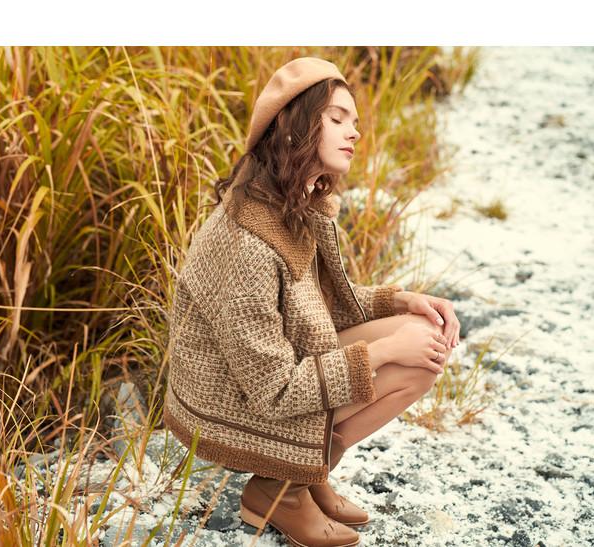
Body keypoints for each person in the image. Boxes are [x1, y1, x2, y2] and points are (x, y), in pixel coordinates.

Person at [164, 57, 460, 547]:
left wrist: (403, 301)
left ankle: (307, 468)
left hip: (273, 376)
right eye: (337, 118)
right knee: (413, 361)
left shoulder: (287, 203)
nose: (354, 132)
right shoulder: (246, 240)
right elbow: (275, 390)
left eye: (354, 121)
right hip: (236, 402)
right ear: (290, 125)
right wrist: (386, 350)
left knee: (424, 340)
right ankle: (280, 489)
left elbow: (317, 309)